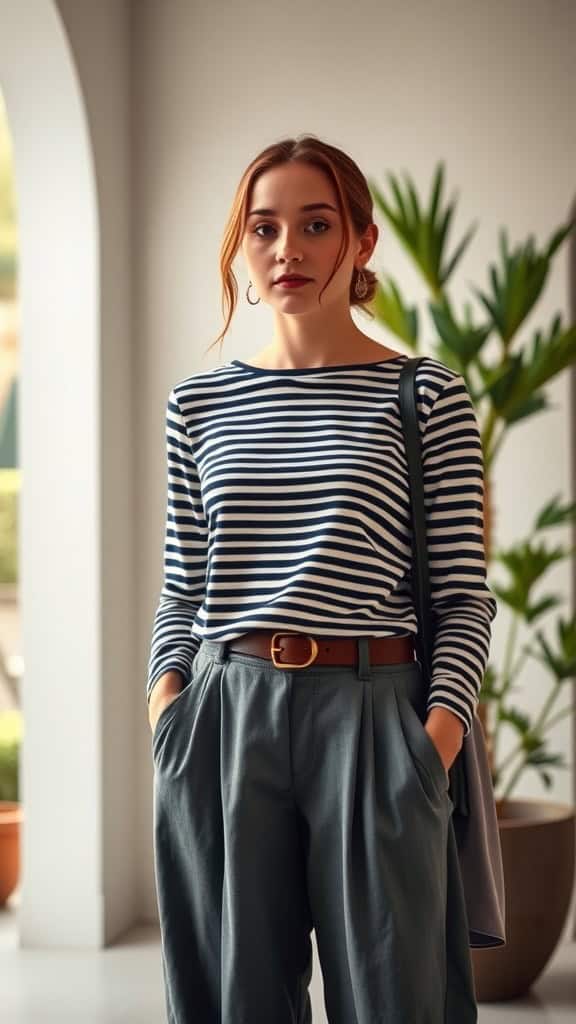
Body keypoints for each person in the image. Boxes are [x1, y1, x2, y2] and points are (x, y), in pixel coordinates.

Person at [146, 134, 497, 1024]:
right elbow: (183, 585)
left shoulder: (423, 395)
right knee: (237, 1001)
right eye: (263, 228)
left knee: (394, 1002)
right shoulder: (198, 402)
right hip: (226, 715)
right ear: (241, 247)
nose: (287, 250)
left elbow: (462, 594)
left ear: (361, 243)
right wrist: (168, 711)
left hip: (374, 715)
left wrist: (436, 739)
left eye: (315, 224)